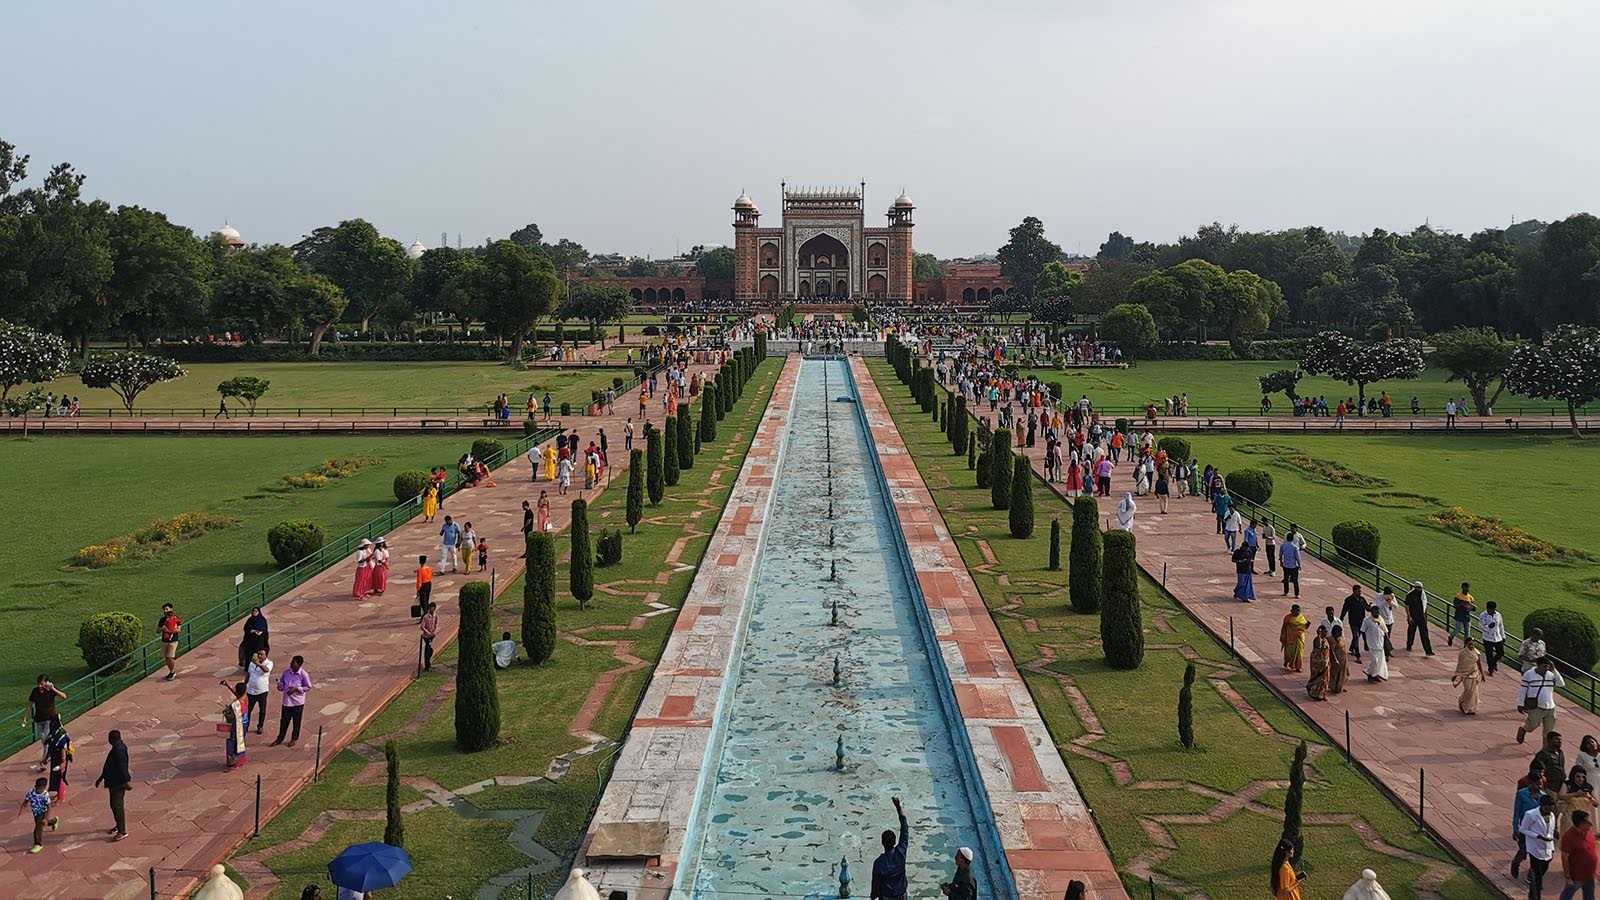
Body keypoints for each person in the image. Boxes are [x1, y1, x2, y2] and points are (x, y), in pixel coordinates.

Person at [1520, 658, 1569, 744]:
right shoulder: (1529, 675)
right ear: (1538, 665)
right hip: (1536, 706)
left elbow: (1561, 684)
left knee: (1549, 731)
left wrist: (1554, 670)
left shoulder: (1550, 675)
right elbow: (1523, 689)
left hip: (1550, 706)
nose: (1546, 668)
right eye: (1544, 666)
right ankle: (1523, 729)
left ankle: (1546, 750)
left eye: (1548, 666)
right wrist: (1521, 703)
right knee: (1533, 724)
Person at [94, 729, 131, 841]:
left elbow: (122, 767)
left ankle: (122, 831)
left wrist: (126, 782)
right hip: (113, 781)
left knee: (117, 806)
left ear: (111, 739)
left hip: (118, 783)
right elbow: (109, 765)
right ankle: (118, 825)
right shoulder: (117, 748)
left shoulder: (119, 751)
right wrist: (101, 777)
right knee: (114, 805)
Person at [871, 796, 909, 900]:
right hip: (901, 895)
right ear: (895, 841)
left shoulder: (878, 863)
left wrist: (873, 897)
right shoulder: (901, 852)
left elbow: (876, 884)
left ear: (882, 843)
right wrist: (898, 807)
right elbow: (905, 829)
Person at [1522, 794, 1559, 898]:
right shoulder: (1531, 814)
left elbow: (1550, 829)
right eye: (1547, 807)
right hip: (1535, 847)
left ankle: (1533, 881)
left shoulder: (1551, 815)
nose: (1549, 809)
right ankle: (1535, 895)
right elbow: (1523, 829)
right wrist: (1536, 836)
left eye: (1551, 807)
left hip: (1548, 846)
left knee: (1545, 866)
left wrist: (1554, 833)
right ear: (1542, 806)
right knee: (1537, 876)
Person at [27, 675, 66, 772]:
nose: (40, 686)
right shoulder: (35, 691)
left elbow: (64, 696)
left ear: (46, 683)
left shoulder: (50, 691)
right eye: (38, 684)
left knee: (46, 741)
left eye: (42, 683)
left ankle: (44, 761)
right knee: (43, 739)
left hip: (49, 718)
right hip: (39, 719)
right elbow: (30, 704)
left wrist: (53, 689)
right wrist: (25, 717)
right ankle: (48, 756)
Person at [272, 656, 311, 747]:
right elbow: (282, 682)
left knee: (296, 721)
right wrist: (280, 686)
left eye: (294, 663)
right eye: (291, 662)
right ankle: (280, 738)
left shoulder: (303, 674)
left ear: (299, 664)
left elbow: (308, 687)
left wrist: (297, 689)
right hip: (286, 701)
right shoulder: (286, 672)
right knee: (284, 721)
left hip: (297, 702)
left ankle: (294, 738)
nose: (291, 664)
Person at [1561, 810, 1598, 900]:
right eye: (1588, 822)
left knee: (1589, 897)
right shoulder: (1568, 837)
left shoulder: (1589, 831)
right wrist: (1568, 877)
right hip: (1576, 876)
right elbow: (1565, 857)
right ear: (1580, 823)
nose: (1591, 824)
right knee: (1566, 896)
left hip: (1591, 875)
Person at [17, 776, 59, 854]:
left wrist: (46, 818)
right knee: (42, 823)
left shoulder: (45, 795)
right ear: (35, 786)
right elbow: (26, 800)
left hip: (43, 812)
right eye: (37, 788)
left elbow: (49, 807)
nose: (39, 790)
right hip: (35, 812)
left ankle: (38, 844)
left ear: (44, 788)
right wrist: (21, 809)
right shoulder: (31, 792)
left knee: (38, 828)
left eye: (41, 789)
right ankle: (54, 821)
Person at [1453, 636, 1488, 714]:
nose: (1471, 646)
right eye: (1469, 644)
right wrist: (1458, 674)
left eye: (1472, 644)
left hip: (1474, 674)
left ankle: (1469, 708)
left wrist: (1482, 674)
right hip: (1465, 674)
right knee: (1468, 690)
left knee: (1473, 692)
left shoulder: (1477, 652)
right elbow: (1460, 664)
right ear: (1465, 644)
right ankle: (1462, 702)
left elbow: (1479, 664)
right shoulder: (1462, 653)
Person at [218, 680, 248, 768]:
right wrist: (228, 686)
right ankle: (240, 760)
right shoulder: (245, 698)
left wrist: (226, 713)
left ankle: (234, 762)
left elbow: (231, 716)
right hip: (244, 723)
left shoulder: (235, 705)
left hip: (236, 727)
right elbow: (238, 694)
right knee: (241, 741)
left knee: (234, 743)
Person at [245, 648, 274, 735]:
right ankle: (246, 725)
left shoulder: (269, 663)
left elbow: (266, 670)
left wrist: (258, 664)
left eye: (261, 654)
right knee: (248, 710)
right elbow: (249, 674)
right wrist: (244, 683)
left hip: (262, 691)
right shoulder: (252, 663)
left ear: (266, 655)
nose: (259, 656)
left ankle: (260, 725)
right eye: (258, 654)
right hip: (251, 691)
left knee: (262, 710)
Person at [1403, 581, 1434, 655]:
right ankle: (1409, 645)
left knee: (1424, 634)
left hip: (1421, 617)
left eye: (1420, 588)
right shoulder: (1410, 595)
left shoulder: (1423, 594)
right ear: (1415, 587)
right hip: (1413, 616)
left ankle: (1428, 650)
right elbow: (1407, 605)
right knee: (1411, 632)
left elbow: (1424, 605)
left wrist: (1426, 616)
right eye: (1418, 588)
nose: (1419, 589)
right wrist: (1408, 616)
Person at [1341, 586, 1367, 664]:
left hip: (1362, 622)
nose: (1360, 592)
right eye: (1358, 591)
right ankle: (1357, 655)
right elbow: (1344, 610)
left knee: (1357, 636)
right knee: (1356, 636)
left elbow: (1367, 608)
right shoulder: (1349, 600)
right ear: (1354, 591)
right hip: (1353, 622)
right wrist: (1341, 618)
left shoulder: (1362, 600)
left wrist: (1370, 607)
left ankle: (1352, 648)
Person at [1481, 601, 1507, 676]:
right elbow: (1481, 626)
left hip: (1497, 638)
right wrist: (1488, 627)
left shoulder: (1498, 615)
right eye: (1490, 610)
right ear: (1487, 608)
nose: (1492, 611)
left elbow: (1501, 626)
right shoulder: (1483, 615)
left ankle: (1494, 662)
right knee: (1489, 655)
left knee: (1500, 653)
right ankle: (1490, 669)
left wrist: (1503, 636)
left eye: (1493, 610)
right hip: (1487, 638)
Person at [1362, 612, 1389, 682]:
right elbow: (1363, 631)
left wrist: (1387, 644)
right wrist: (1365, 643)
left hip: (1380, 644)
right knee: (1374, 661)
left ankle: (1374, 674)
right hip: (1371, 644)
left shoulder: (1381, 620)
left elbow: (1385, 631)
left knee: (1380, 662)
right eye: (1374, 612)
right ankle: (1368, 672)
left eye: (1377, 612)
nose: (1376, 614)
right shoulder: (1367, 620)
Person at [1281, 605, 1309, 672]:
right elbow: (1284, 627)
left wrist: (1307, 625)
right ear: (1292, 611)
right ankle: (1286, 661)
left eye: (1299, 610)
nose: (1299, 612)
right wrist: (1282, 636)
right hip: (1290, 637)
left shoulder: (1301, 617)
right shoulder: (1288, 617)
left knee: (1299, 652)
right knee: (1289, 652)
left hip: (1300, 637)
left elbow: (1304, 626)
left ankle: (1298, 667)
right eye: (1297, 610)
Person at [1448, 582, 1476, 647]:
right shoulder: (1458, 596)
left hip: (1467, 616)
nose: (1466, 589)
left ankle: (1465, 646)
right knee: (1457, 629)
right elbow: (1455, 605)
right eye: (1465, 587)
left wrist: (1473, 608)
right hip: (1459, 616)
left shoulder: (1470, 598)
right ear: (1462, 588)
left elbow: (1473, 608)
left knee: (1467, 632)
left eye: (1467, 588)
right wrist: (1462, 604)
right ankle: (1451, 637)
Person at [158, 602, 182, 680]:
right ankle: (171, 672)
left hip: (173, 641)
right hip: (164, 641)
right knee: (166, 657)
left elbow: (178, 630)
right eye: (164, 609)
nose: (165, 611)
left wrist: (168, 631)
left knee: (170, 657)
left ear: (171, 609)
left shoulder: (175, 619)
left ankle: (173, 672)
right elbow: (157, 630)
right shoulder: (162, 620)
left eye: (167, 609)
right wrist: (162, 629)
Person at [1307, 626, 1330, 700]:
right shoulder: (1317, 640)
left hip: (1325, 662)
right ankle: (1314, 692)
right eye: (1324, 631)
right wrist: (1319, 635)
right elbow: (1319, 646)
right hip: (1317, 663)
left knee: (1324, 679)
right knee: (1317, 678)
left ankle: (1322, 694)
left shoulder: (1326, 640)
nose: (1326, 633)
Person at [1328, 624, 1349, 694]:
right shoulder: (1332, 639)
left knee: (1344, 673)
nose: (1340, 633)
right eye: (1339, 632)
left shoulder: (1340, 638)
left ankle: (1340, 686)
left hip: (1343, 659)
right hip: (1337, 660)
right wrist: (1335, 660)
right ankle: (1335, 687)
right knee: (1336, 674)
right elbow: (1332, 651)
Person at [419, 603, 439, 670]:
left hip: (431, 635)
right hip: (426, 636)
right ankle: (427, 666)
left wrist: (433, 632)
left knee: (430, 650)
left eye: (433, 608)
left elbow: (435, 624)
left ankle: (428, 665)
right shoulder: (426, 617)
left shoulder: (435, 616)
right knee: (428, 650)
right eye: (430, 608)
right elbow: (422, 627)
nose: (432, 609)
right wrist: (428, 633)